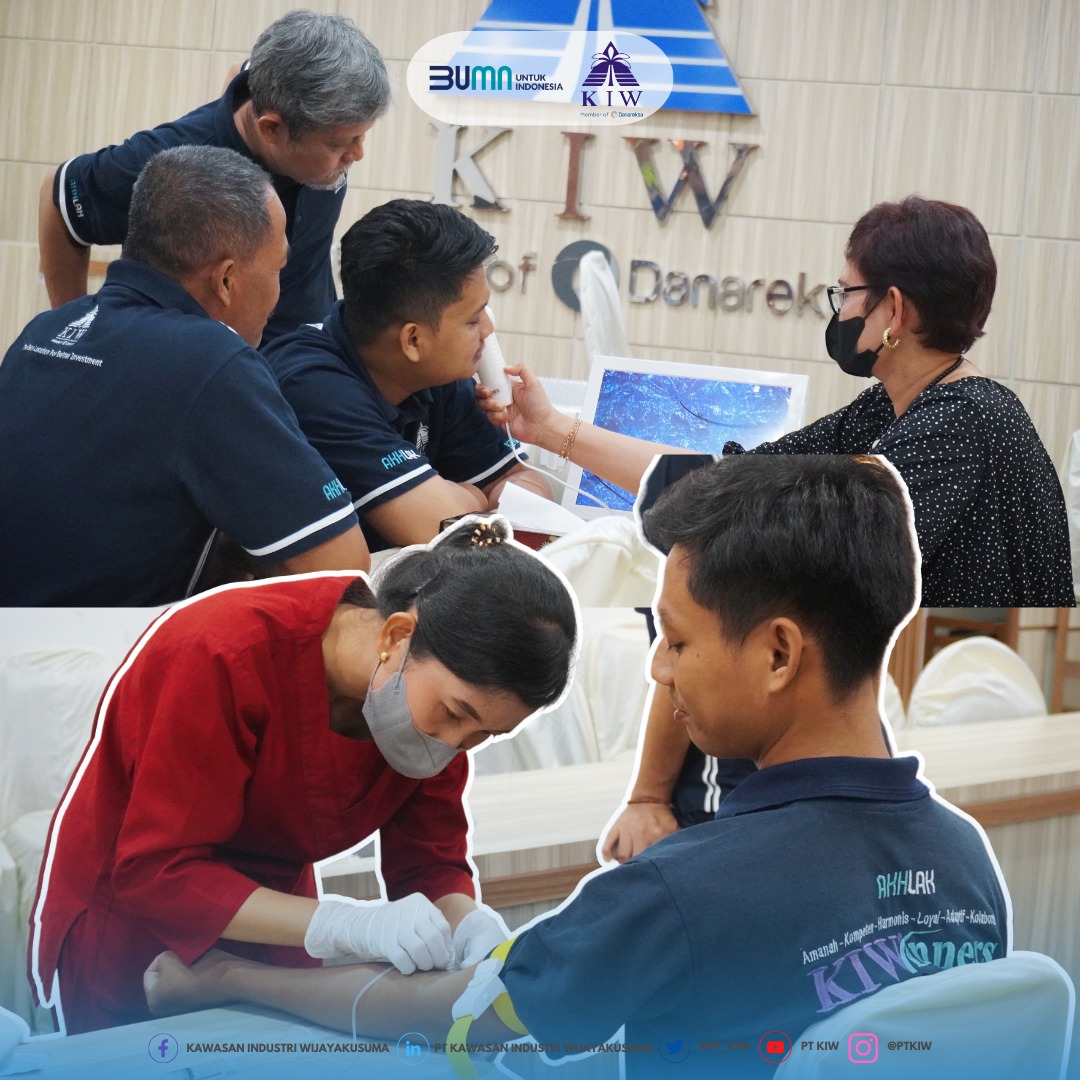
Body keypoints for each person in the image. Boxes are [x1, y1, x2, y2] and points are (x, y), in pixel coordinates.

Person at [139, 457, 1011, 1080]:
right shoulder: (966, 865)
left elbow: (461, 1022)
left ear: (779, 654)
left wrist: (224, 979)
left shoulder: (677, 893)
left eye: (677, 641)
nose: (658, 670)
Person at [30, 516, 578, 1035]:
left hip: (277, 918)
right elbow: (159, 869)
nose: (455, 746)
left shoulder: (434, 716)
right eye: (456, 714)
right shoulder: (223, 652)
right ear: (396, 636)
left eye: (487, 735)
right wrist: (346, 925)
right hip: (135, 924)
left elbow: (428, 866)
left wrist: (469, 925)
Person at [481, 196, 1074, 609]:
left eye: (847, 292)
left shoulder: (961, 423)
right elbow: (733, 481)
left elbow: (811, 543)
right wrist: (549, 427)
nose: (839, 309)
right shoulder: (887, 408)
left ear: (894, 310)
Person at [0, 146, 369, 606]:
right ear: (226, 280)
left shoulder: (44, 329)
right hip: (107, 645)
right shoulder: (213, 360)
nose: (281, 291)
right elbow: (341, 565)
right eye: (279, 269)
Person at [38, 10, 389, 345]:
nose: (357, 154)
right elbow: (58, 196)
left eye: (362, 136)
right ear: (272, 129)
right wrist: (74, 335)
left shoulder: (282, 97)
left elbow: (243, 69)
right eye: (341, 143)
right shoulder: (172, 165)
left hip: (306, 351)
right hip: (219, 369)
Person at [263, 199, 551, 551]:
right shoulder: (312, 385)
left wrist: (477, 505)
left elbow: (528, 484)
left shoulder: (436, 373)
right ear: (413, 340)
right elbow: (442, 531)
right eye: (473, 320)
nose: (488, 331)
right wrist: (477, 497)